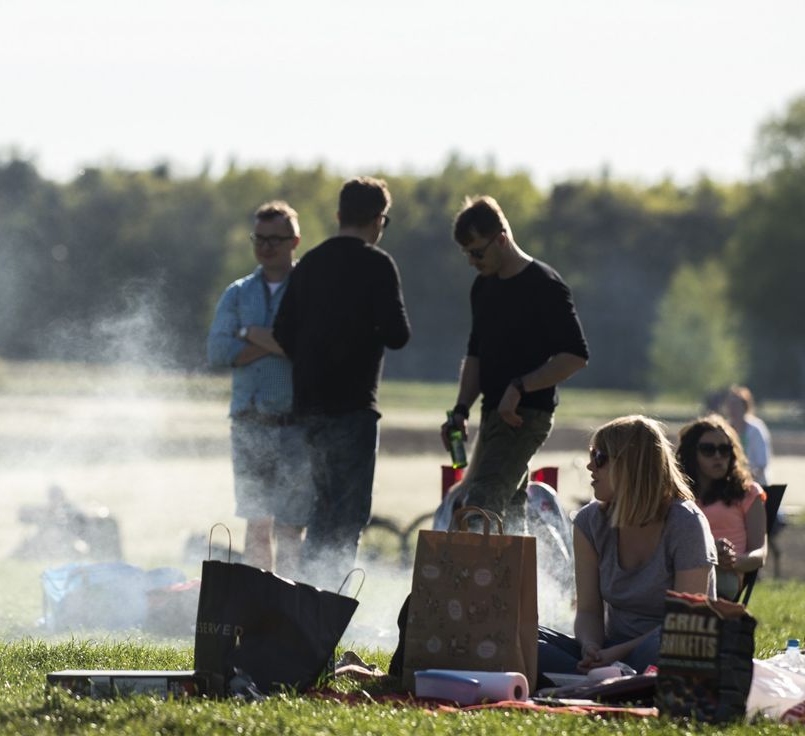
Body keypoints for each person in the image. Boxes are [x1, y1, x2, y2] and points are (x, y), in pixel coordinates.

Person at [273, 177, 411, 584]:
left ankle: (299, 599)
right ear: (379, 220)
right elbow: (398, 335)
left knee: (310, 510)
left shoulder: (311, 264)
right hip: (353, 409)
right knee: (343, 519)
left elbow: (283, 332)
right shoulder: (378, 264)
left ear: (338, 215)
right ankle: (326, 601)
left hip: (306, 410)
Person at [441, 196, 589, 530]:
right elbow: (476, 353)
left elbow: (575, 356)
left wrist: (520, 387)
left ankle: (464, 581)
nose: (471, 261)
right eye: (466, 253)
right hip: (493, 415)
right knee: (510, 511)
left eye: (476, 252)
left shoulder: (545, 285)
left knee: (479, 505)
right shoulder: (482, 287)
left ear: (502, 239)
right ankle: (522, 580)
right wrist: (461, 409)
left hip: (526, 417)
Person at [537, 416, 716, 677]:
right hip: (610, 649)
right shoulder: (589, 522)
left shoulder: (686, 523)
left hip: (671, 646)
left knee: (663, 645)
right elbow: (588, 611)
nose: (589, 466)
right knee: (525, 638)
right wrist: (591, 647)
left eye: (599, 457)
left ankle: (604, 679)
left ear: (631, 465)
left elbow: (689, 621)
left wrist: (616, 654)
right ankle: (610, 678)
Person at [206, 201, 311, 574]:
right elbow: (217, 351)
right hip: (248, 422)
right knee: (255, 521)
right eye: (260, 239)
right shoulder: (237, 293)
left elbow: (305, 348)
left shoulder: (307, 290)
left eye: (276, 240)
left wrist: (247, 334)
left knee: (289, 524)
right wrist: (272, 342)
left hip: (293, 423)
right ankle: (257, 601)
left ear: (294, 240)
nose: (266, 247)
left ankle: (289, 601)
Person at [676, 415, 766, 601]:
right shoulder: (677, 495)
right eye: (708, 450)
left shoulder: (747, 492)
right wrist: (708, 551)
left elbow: (760, 553)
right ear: (692, 453)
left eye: (724, 449)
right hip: (683, 567)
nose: (718, 456)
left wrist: (732, 560)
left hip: (724, 575)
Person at [723, 385, 772, 485]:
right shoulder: (724, 429)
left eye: (736, 405)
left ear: (745, 406)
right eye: (731, 405)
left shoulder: (756, 429)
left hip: (755, 483)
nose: (733, 409)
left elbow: (762, 463)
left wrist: (746, 478)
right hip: (730, 484)